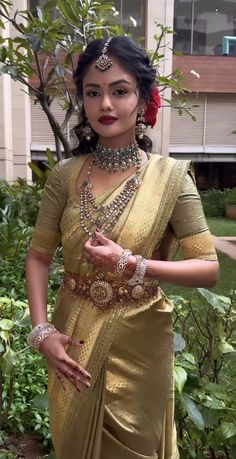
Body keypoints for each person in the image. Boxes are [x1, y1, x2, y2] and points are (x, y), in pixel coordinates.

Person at [25, 36, 219, 459]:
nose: (105, 105)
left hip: (141, 344)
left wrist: (134, 265)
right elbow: (39, 257)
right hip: (71, 341)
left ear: (144, 97)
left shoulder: (171, 178)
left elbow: (207, 267)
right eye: (93, 93)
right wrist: (42, 333)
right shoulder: (65, 176)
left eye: (120, 90)